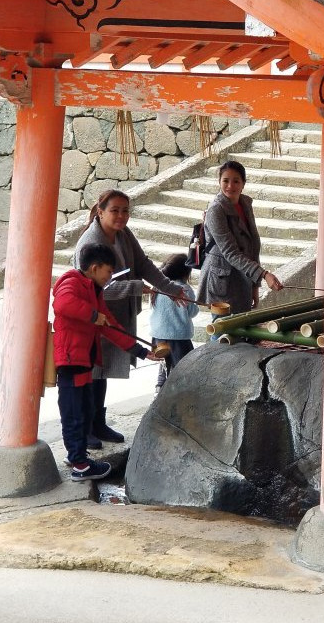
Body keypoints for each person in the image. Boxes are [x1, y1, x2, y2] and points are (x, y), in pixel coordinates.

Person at [74, 189, 184, 448]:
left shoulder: (123, 234)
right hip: (94, 316)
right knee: (90, 373)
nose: (121, 216)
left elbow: (143, 263)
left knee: (102, 372)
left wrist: (169, 287)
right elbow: (98, 286)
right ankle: (84, 429)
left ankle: (98, 424)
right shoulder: (90, 242)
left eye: (125, 211)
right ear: (100, 212)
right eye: (115, 210)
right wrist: (136, 287)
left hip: (118, 314)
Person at [53, 243, 160, 481]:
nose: (110, 277)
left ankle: (76, 455)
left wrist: (140, 351)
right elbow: (62, 304)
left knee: (83, 410)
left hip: (84, 361)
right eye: (108, 272)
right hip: (70, 361)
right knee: (74, 413)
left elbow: (110, 326)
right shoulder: (71, 282)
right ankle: (80, 465)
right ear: (94, 268)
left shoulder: (94, 290)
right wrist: (93, 315)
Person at [196, 160, 283, 316]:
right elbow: (231, 252)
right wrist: (263, 274)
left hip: (243, 278)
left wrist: (254, 286)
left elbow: (253, 246)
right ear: (219, 182)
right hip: (221, 279)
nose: (230, 186)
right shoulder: (216, 210)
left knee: (241, 328)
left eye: (236, 181)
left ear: (243, 183)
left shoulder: (245, 203)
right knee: (222, 330)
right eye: (226, 181)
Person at [150, 253, 199, 390]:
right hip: (178, 338)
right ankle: (179, 394)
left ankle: (159, 390)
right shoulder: (185, 289)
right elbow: (192, 312)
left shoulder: (157, 287)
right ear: (185, 272)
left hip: (158, 336)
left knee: (164, 365)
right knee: (183, 368)